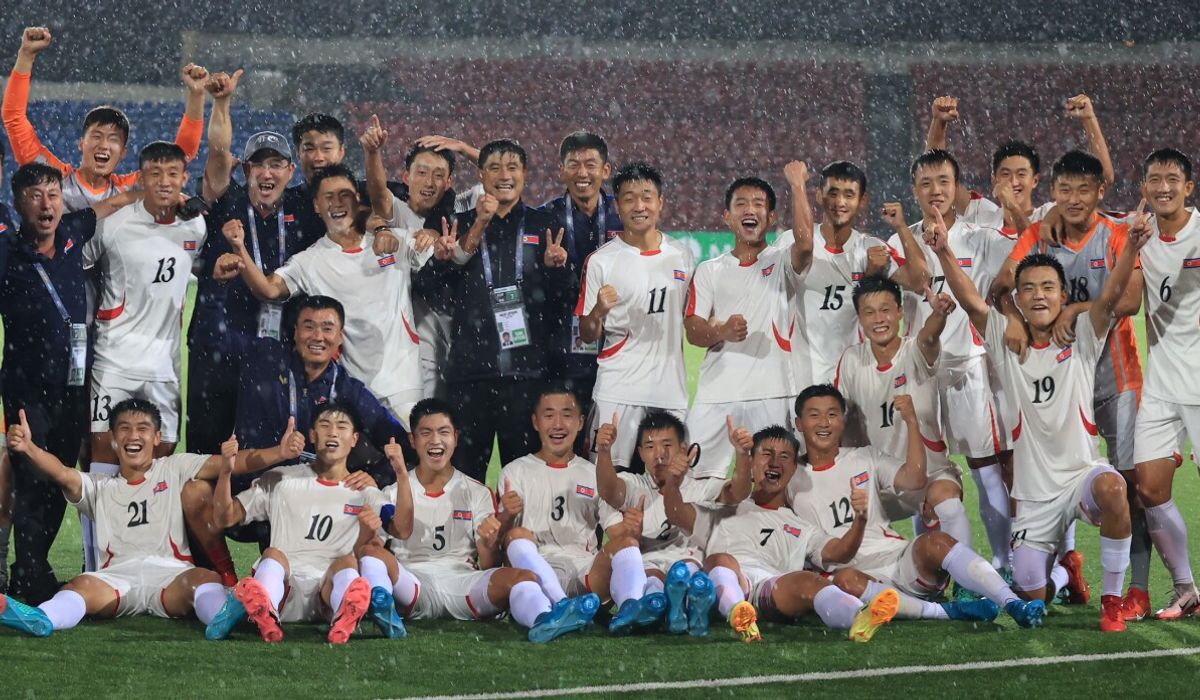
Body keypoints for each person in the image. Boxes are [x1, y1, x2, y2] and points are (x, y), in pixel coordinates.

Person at [929, 199, 1148, 632]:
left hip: (1079, 476)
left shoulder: (1082, 334)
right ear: (1018, 298)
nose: (1039, 295)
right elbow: (971, 300)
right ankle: (1067, 572)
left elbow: (1108, 298)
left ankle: (1111, 601)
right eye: (1028, 288)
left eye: (1048, 287)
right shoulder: (1005, 340)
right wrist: (942, 252)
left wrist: (1132, 249)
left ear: (1064, 296)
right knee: (1034, 594)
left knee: (1114, 487)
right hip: (1033, 496)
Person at [0, 399, 303, 637]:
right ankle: (43, 618)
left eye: (142, 428)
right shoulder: (99, 486)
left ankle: (221, 618)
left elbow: (234, 462)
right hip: (116, 578)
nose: (133, 435)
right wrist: (29, 448)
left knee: (202, 579)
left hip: (170, 576)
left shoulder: (173, 467)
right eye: (124, 428)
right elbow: (61, 472)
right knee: (80, 587)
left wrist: (280, 452)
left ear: (157, 437)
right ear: (113, 439)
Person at [992, 150, 1145, 606]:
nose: (1074, 199)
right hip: (1059, 373)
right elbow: (1001, 286)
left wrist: (1075, 309)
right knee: (1056, 462)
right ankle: (1065, 564)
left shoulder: (1115, 234)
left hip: (1113, 374)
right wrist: (1012, 315)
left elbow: (1130, 301)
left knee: (1129, 485)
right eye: (1065, 190)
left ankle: (1135, 588)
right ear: (1053, 192)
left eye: (1083, 189)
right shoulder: (1039, 234)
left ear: (1100, 191)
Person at [184, 292, 407, 584]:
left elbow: (399, 442)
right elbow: (212, 340)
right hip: (250, 493)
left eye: (327, 328)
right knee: (194, 493)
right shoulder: (263, 358)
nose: (318, 336)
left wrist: (375, 476)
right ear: (295, 332)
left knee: (293, 574)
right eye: (309, 326)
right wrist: (217, 289)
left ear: (340, 337)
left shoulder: (348, 390)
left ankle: (346, 585)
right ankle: (226, 577)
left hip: (304, 506)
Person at [788, 385, 1044, 629]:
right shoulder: (789, 476)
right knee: (846, 581)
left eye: (832, 414)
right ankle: (945, 612)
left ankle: (1013, 603)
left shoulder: (864, 456)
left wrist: (912, 422)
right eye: (814, 415)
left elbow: (915, 479)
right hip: (853, 577)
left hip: (899, 560)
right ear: (799, 423)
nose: (824, 423)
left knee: (937, 541)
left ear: (843, 421)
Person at [0, 163, 136, 600]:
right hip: (26, 387)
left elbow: (113, 203)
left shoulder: (74, 231)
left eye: (53, 194)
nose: (47, 204)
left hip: (74, 385)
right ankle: (27, 574)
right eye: (35, 195)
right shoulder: (7, 252)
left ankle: (34, 569)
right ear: (18, 203)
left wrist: (158, 195)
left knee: (59, 477)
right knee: (30, 476)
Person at [218, 163, 429, 428]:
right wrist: (239, 248)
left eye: (344, 195)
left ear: (357, 200)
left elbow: (442, 249)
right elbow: (268, 289)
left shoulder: (393, 240)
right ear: (316, 206)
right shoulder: (310, 261)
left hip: (403, 385)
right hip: (351, 389)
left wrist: (430, 236)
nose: (337, 203)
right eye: (328, 197)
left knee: (410, 453)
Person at [888, 149, 1018, 577]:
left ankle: (1003, 562)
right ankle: (930, 565)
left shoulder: (979, 237)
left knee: (986, 471)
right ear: (914, 190)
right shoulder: (898, 242)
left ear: (956, 186)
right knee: (922, 473)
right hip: (920, 374)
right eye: (925, 183)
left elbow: (1025, 251)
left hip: (970, 369)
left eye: (944, 181)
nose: (936, 190)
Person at [82, 141, 207, 570]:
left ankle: (157, 561)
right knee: (103, 459)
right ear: (141, 178)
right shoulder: (114, 225)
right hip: (113, 360)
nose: (164, 182)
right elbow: (76, 261)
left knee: (162, 465)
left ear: (184, 179)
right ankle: (95, 566)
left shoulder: (196, 227)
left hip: (165, 367)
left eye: (173, 173)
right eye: (155, 173)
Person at [189, 69, 325, 455]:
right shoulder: (226, 201)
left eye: (276, 164)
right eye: (258, 165)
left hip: (276, 353)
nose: (267, 173)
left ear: (290, 172)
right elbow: (218, 154)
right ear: (246, 170)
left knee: (268, 456)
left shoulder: (305, 208)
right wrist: (222, 102)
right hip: (216, 348)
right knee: (206, 455)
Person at [664, 425, 903, 643]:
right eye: (767, 454)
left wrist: (860, 521)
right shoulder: (724, 507)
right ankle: (737, 612)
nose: (775, 462)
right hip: (730, 581)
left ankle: (858, 616)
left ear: (793, 468)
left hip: (770, 590)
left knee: (808, 580)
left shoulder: (802, 526)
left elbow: (840, 552)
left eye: (784, 456)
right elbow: (676, 514)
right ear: (752, 462)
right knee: (721, 559)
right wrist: (672, 483)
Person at [381, 398, 594, 642]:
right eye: (426, 433)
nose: (435, 440)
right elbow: (380, 546)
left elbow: (489, 565)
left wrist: (488, 542)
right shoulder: (391, 492)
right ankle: (379, 609)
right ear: (412, 440)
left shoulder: (477, 492)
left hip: (463, 582)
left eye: (443, 432)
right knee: (373, 555)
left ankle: (543, 620)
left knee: (522, 577)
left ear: (456, 437)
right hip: (411, 583)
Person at [207, 402, 410, 644]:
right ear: (312, 435)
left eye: (341, 426)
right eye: (325, 425)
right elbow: (224, 518)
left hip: (328, 592)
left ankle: (342, 617)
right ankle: (265, 610)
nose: (333, 432)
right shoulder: (281, 480)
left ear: (354, 439)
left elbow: (401, 530)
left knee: (347, 561)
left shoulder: (366, 492)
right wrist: (225, 473)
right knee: (273, 554)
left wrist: (402, 474)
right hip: (284, 588)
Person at [431, 139, 571, 478]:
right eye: (494, 168)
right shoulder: (458, 224)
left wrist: (556, 271)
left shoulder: (545, 225)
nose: (504, 175)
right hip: (469, 375)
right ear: (481, 174)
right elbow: (432, 289)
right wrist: (444, 257)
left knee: (523, 481)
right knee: (465, 480)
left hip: (526, 377)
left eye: (512, 167)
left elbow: (563, 303)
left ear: (524, 173)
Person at [686, 166, 812, 482]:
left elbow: (805, 246)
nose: (750, 210)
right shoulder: (709, 270)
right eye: (741, 204)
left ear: (771, 218)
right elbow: (693, 331)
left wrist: (798, 186)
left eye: (758, 204)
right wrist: (721, 331)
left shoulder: (782, 261)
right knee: (697, 480)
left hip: (773, 392)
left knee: (773, 482)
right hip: (716, 392)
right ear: (727, 217)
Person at [834, 275, 973, 553]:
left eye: (885, 310)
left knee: (949, 504)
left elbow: (930, 335)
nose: (879, 319)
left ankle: (964, 573)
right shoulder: (851, 360)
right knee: (837, 513)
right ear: (859, 319)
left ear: (899, 312)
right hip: (880, 481)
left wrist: (938, 313)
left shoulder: (916, 351)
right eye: (869, 312)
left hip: (930, 474)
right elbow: (843, 424)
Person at [2, 27, 207, 212]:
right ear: (81, 144)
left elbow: (180, 156)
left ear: (123, 152)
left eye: (113, 139)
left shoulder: (132, 188)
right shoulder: (53, 178)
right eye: (97, 136)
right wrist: (26, 55)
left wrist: (197, 95)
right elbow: (14, 117)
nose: (104, 145)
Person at [771, 161, 930, 389]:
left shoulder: (870, 248)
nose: (840, 202)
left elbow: (921, 281)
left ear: (862, 200)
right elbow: (802, 249)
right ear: (819, 196)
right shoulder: (790, 243)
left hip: (854, 379)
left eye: (849, 195)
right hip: (800, 380)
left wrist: (902, 227)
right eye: (833, 193)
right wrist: (797, 186)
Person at [577, 161, 695, 468]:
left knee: (670, 477)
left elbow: (691, 320)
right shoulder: (602, 261)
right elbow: (587, 333)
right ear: (617, 206)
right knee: (608, 475)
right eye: (629, 198)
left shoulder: (682, 256)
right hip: (618, 387)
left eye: (647, 197)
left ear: (660, 202)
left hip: (670, 389)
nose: (639, 206)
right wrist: (598, 310)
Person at [1127, 148, 1200, 620]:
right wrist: (1131, 249)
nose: (1164, 187)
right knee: (1150, 488)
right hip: (1161, 384)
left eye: (1172, 179)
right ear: (1144, 188)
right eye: (1155, 179)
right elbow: (1128, 305)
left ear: (1188, 187)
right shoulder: (1141, 235)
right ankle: (1186, 590)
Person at [594, 411, 747, 635]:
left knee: (685, 570)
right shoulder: (635, 485)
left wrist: (742, 455)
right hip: (650, 567)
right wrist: (604, 451)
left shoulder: (700, 487)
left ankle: (672, 606)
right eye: (650, 447)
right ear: (640, 453)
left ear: (683, 449)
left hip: (691, 564)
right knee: (653, 578)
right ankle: (683, 608)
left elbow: (738, 492)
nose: (659, 455)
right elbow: (608, 489)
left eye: (667, 445)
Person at [495, 387, 614, 632]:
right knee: (516, 538)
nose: (558, 424)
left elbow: (618, 531)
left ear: (580, 422)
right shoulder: (514, 472)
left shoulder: (594, 474)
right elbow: (498, 543)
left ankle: (634, 606)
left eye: (567, 415)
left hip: (583, 571)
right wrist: (506, 515)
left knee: (623, 546)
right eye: (549, 415)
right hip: (534, 571)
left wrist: (632, 529)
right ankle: (560, 608)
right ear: (535, 422)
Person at [362, 117, 459, 401]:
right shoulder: (399, 213)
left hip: (455, 331)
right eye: (422, 172)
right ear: (406, 176)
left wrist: (464, 149)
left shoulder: (460, 213)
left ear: (450, 182)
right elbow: (378, 195)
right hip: (407, 335)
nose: (429, 182)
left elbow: (496, 181)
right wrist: (373, 153)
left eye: (438, 175)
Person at [925, 94, 1116, 233]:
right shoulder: (980, 213)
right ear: (994, 179)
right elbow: (935, 172)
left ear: (1035, 180)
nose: (1013, 181)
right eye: (1005, 174)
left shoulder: (1051, 214)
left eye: (1021, 174)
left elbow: (1103, 180)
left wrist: (1089, 120)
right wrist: (938, 123)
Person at [536, 132, 624, 433]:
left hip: (615, 346)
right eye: (573, 164)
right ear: (561, 171)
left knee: (610, 438)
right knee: (564, 435)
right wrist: (551, 269)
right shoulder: (545, 218)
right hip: (560, 350)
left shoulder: (623, 217)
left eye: (590, 164)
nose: (582, 173)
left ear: (606, 170)